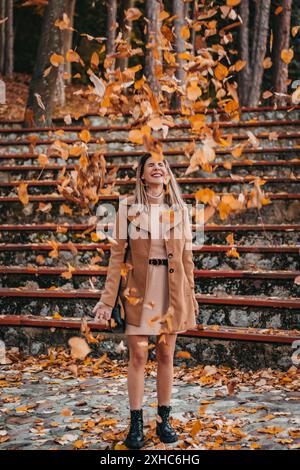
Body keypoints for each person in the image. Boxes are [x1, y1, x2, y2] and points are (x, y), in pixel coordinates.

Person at [92, 153, 199, 449]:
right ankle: (136, 422)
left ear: (167, 173)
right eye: (151, 164)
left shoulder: (181, 210)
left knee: (166, 356)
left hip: (171, 289)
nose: (157, 167)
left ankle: (165, 419)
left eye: (161, 164)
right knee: (138, 357)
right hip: (139, 291)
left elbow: (187, 257)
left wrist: (191, 293)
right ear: (141, 174)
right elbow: (116, 260)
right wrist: (105, 300)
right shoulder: (126, 209)